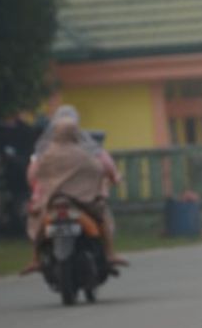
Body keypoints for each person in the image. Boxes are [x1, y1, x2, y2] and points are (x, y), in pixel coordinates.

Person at [22, 107, 126, 274]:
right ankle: (110, 253)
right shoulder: (85, 152)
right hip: (82, 200)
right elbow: (100, 169)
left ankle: (35, 259)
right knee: (102, 215)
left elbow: (32, 176)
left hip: (52, 200)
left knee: (37, 221)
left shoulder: (45, 154)